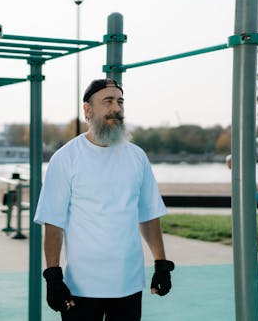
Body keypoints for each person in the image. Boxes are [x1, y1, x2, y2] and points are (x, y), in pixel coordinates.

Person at [34, 78, 174, 320]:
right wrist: (53, 276)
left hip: (128, 283)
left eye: (120, 102)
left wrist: (161, 263)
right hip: (81, 286)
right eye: (107, 101)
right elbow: (53, 222)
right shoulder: (65, 158)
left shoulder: (137, 156)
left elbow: (149, 214)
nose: (116, 108)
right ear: (87, 110)